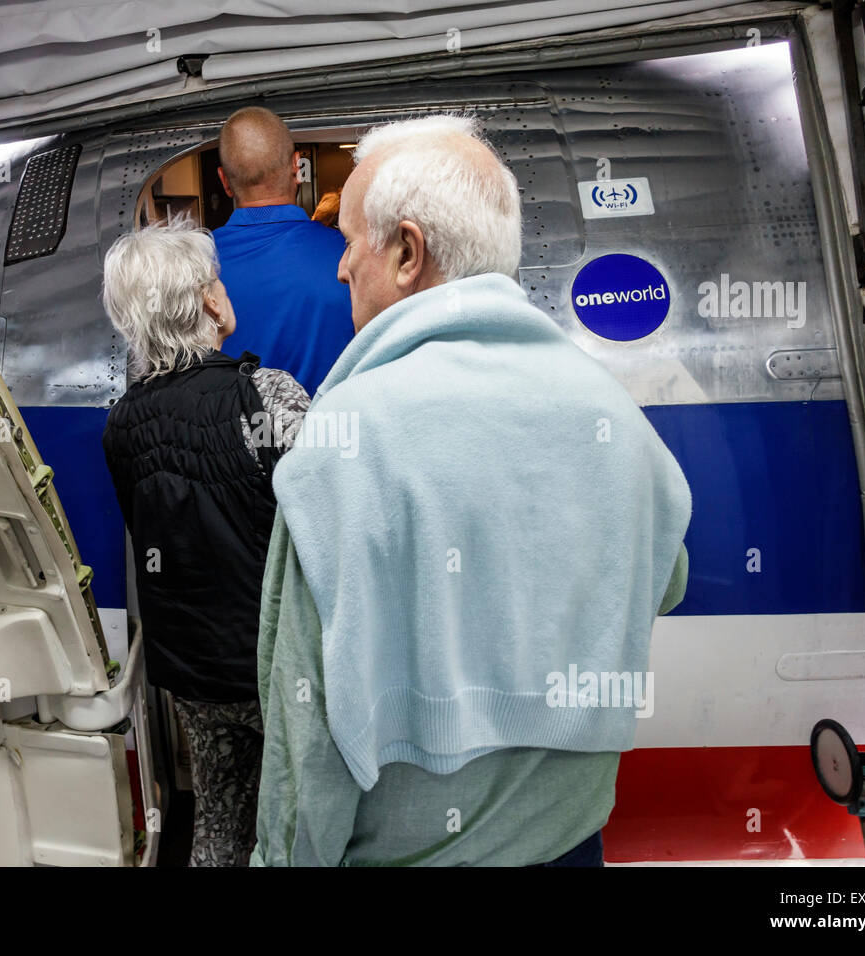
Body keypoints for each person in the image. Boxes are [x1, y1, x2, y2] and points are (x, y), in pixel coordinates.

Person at [252, 114, 693, 866]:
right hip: (572, 846)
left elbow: (309, 738)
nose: (339, 268)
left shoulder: (346, 442)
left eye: (351, 243)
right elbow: (666, 578)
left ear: (407, 252)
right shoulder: (612, 413)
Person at [98, 217, 308, 867]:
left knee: (219, 821)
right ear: (210, 300)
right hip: (278, 669)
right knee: (302, 823)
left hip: (191, 672)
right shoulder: (267, 398)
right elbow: (333, 530)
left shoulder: (122, 424)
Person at [213, 106, 353, 396]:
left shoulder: (188, 268)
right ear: (297, 166)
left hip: (225, 439)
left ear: (224, 180)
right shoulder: (351, 258)